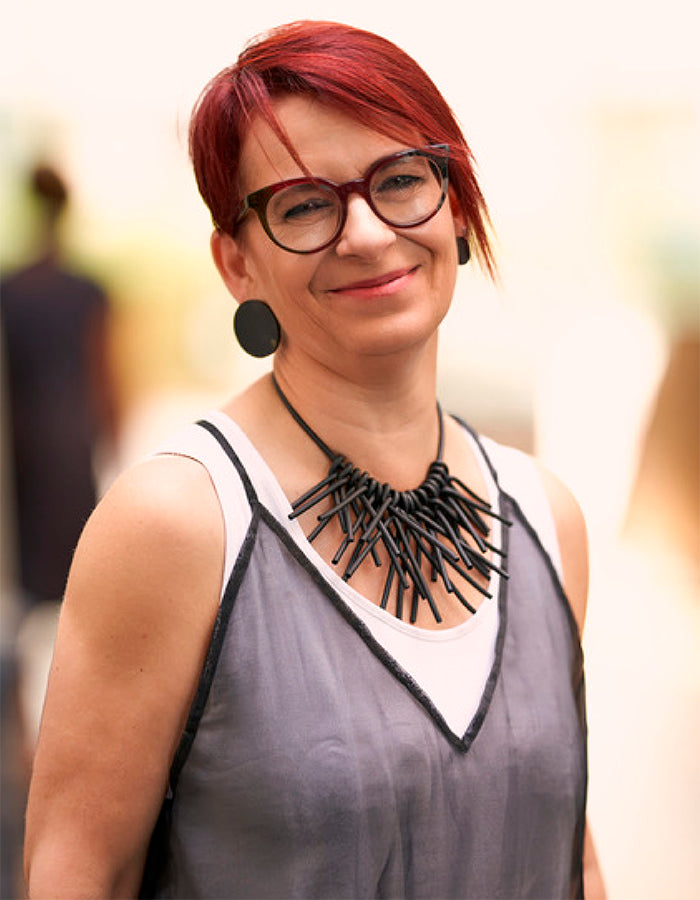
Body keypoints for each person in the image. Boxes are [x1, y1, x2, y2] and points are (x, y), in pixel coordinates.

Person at [24, 20, 605, 899]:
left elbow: (573, 858)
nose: (366, 234)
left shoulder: (544, 517)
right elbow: (77, 873)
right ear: (236, 263)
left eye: (401, 180)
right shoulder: (177, 523)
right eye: (303, 205)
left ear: (454, 205)